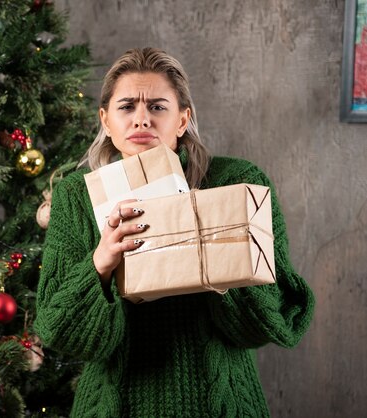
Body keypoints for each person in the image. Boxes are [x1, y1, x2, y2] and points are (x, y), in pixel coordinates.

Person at [34, 47, 315, 417]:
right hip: (114, 406)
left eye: (157, 107)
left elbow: (272, 322)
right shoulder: (76, 195)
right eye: (126, 106)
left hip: (221, 404)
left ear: (183, 120)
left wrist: (218, 254)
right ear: (105, 120)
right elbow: (61, 332)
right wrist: (101, 263)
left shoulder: (236, 184)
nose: (141, 120)